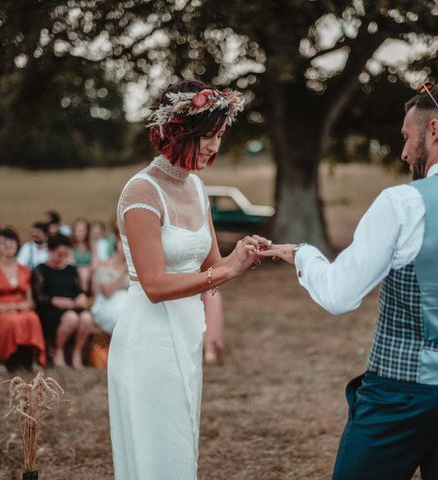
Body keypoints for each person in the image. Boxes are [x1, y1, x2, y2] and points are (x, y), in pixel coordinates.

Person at [261, 81, 438, 480]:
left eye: (407, 137)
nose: (404, 151)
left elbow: (340, 295)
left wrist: (302, 255)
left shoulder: (403, 203)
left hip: (401, 393)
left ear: (434, 130)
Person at [107, 80, 266, 480]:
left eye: (219, 136)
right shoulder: (141, 192)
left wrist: (243, 255)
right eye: (208, 136)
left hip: (187, 331)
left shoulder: (196, 187)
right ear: (178, 131)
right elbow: (155, 286)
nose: (214, 146)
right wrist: (225, 270)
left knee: (181, 449)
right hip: (150, 340)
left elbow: (211, 264)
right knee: (159, 452)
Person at [0, 228, 46, 373]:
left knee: (32, 318)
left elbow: (30, 300)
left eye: (11, 242)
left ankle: (33, 360)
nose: (8, 245)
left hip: (20, 308)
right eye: (3, 242)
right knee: (8, 321)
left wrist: (25, 305)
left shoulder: (25, 270)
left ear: (17, 245)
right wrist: (2, 307)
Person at [33, 234, 93, 368]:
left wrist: (82, 296)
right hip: (50, 310)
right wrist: (55, 301)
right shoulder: (41, 270)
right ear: (51, 250)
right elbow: (38, 296)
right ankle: (58, 350)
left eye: (65, 254)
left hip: (71, 306)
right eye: (59, 254)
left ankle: (77, 352)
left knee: (86, 318)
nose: (62, 258)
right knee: (71, 318)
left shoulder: (71, 270)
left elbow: (79, 291)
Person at [91, 236, 128, 334]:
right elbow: (107, 291)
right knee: (123, 321)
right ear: (117, 244)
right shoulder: (104, 265)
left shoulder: (135, 267)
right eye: (124, 243)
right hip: (109, 303)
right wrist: (123, 272)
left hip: (129, 302)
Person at [70, 217, 93, 293]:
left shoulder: (92, 245)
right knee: (83, 274)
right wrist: (81, 270)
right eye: (77, 231)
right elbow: (72, 263)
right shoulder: (71, 245)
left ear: (87, 231)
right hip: (74, 271)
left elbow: (95, 263)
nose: (79, 233)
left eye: (82, 230)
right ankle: (84, 295)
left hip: (90, 271)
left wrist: (88, 270)